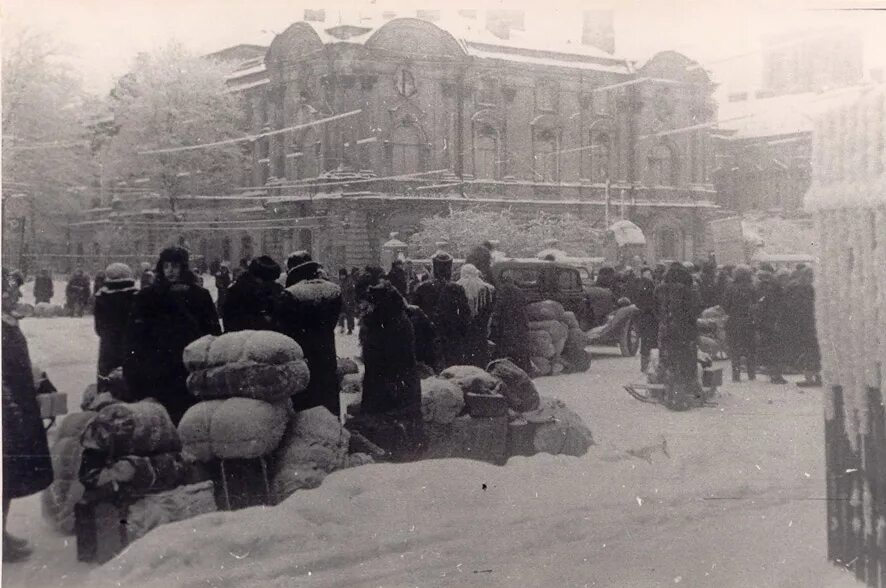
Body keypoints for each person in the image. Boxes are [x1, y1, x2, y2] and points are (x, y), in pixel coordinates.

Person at [124, 247, 221, 424]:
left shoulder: (199, 295)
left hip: (189, 364)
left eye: (175, 266)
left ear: (184, 268)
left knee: (190, 417)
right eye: (166, 266)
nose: (170, 271)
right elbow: (134, 335)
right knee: (162, 415)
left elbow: (213, 332)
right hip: (157, 365)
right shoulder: (147, 296)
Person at [2, 269, 53, 562]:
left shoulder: (8, 323)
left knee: (6, 480)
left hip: (16, 408)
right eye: (12, 291)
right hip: (7, 414)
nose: (20, 295)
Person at [275, 251, 342, 416]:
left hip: (302, 356)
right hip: (327, 353)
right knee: (328, 401)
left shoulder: (290, 294)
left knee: (305, 405)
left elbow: (285, 328)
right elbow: (332, 322)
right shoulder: (333, 290)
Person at [410, 251, 471, 371]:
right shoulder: (456, 289)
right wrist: (460, 333)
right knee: (452, 371)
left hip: (427, 336)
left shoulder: (422, 288)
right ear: (449, 268)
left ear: (434, 268)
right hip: (450, 337)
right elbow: (465, 314)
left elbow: (414, 313)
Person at [655, 262, 704, 406]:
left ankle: (669, 394)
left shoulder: (659, 289)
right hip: (685, 332)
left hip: (666, 330)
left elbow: (655, 309)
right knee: (686, 362)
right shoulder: (690, 291)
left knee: (668, 361)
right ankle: (688, 394)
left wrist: (664, 320)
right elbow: (696, 310)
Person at [93, 263, 139, 379]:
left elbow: (98, 328)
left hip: (108, 347)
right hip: (131, 345)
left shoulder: (102, 297)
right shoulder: (136, 297)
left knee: (106, 380)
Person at [221, 255, 283, 332]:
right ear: (255, 276)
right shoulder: (237, 291)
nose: (269, 283)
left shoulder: (275, 289)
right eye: (266, 280)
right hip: (247, 340)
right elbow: (231, 321)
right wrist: (262, 320)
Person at [783, 266, 822, 387]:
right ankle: (816, 376)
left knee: (809, 351)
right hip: (812, 324)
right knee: (814, 351)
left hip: (803, 325)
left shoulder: (797, 288)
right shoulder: (811, 289)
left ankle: (810, 377)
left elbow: (791, 307)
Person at [488, 271, 532, 374]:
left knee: (505, 352)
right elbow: (524, 310)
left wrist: (493, 327)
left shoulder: (502, 291)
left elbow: (497, 311)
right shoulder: (520, 292)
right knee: (520, 352)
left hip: (506, 327)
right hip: (519, 326)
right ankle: (523, 371)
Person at [721, 265, 757, 382]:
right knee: (750, 348)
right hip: (749, 321)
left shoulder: (730, 287)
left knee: (734, 348)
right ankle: (751, 374)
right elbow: (756, 303)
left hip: (734, 320)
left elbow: (725, 305)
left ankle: (736, 375)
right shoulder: (752, 287)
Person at [456, 263, 495, 367]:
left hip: (464, 332)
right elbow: (489, 311)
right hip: (481, 331)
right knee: (480, 359)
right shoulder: (487, 289)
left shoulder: (458, 287)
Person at [755, 267, 788, 384]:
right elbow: (775, 309)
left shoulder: (771, 290)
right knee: (776, 349)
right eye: (785, 279)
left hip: (769, 324)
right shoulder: (776, 291)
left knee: (773, 349)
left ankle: (775, 374)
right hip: (774, 324)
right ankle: (776, 375)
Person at [631, 267, 658, 373]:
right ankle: (648, 366)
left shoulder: (641, 285)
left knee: (646, 342)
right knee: (649, 342)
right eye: (647, 274)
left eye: (649, 274)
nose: (649, 276)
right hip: (648, 317)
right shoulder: (649, 285)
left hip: (643, 317)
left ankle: (646, 366)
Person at [337, 268, 357, 335]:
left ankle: (350, 329)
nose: (341, 276)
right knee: (341, 315)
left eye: (342, 275)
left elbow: (352, 291)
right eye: (340, 275)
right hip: (342, 300)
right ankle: (342, 327)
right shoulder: (340, 281)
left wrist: (351, 300)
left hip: (349, 300)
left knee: (349, 315)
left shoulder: (349, 281)